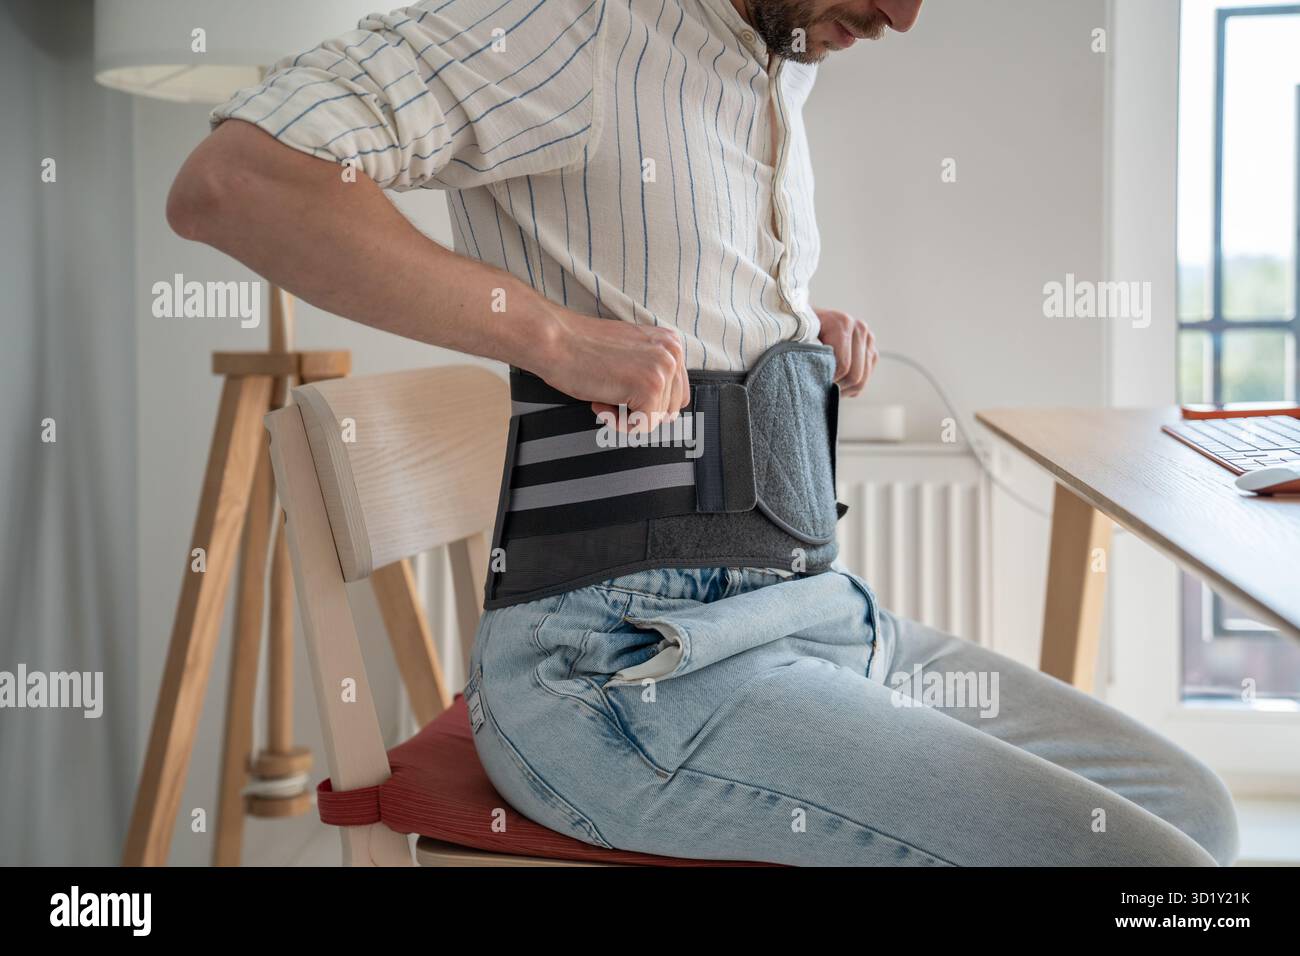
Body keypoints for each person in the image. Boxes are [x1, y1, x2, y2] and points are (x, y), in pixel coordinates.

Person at [166, 0, 1239, 865]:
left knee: (1193, 809)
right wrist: (548, 334)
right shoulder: (578, 24)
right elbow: (236, 183)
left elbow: (660, 282)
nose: (904, 16)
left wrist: (784, 341)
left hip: (813, 620)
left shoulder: (769, 64)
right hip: (625, 674)